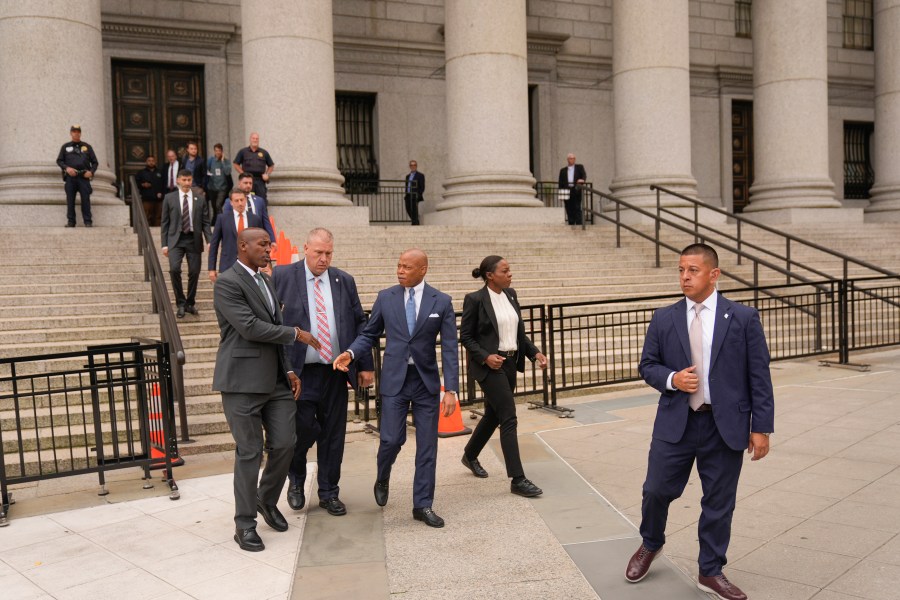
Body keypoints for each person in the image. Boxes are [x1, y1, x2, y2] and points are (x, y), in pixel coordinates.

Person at [625, 243, 774, 600]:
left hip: (725, 426)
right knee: (656, 489)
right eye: (680, 270)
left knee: (719, 502)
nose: (684, 277)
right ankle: (650, 543)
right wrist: (673, 378)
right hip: (676, 422)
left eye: (692, 270)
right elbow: (648, 366)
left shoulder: (742, 317)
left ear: (714, 274)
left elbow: (759, 376)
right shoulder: (664, 317)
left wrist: (761, 427)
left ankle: (711, 570)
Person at [333, 249, 458, 528]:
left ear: (423, 269)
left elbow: (450, 347)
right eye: (399, 266)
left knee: (427, 447)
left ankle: (422, 504)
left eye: (407, 267)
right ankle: (383, 473)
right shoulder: (385, 297)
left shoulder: (443, 301)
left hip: (425, 383)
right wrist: (351, 354)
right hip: (394, 381)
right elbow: (369, 333)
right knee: (391, 439)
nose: (400, 271)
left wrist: (451, 389)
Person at [211, 227, 313, 552]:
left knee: (286, 444)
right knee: (250, 452)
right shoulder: (227, 282)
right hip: (241, 382)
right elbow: (250, 327)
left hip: (277, 381)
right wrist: (295, 333)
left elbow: (271, 329)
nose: (269, 249)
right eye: (262, 244)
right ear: (242, 246)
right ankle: (244, 525)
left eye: (269, 244)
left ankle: (266, 500)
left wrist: (290, 369)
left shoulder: (266, 280)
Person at [273, 228, 374, 516]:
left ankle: (329, 492)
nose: (324, 259)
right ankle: (296, 480)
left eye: (329, 253)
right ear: (305, 248)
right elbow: (272, 321)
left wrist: (365, 365)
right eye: (318, 252)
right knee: (302, 429)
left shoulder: (344, 281)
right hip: (299, 373)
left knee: (333, 434)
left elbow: (359, 324)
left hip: (335, 371)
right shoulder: (282, 276)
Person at [459, 256, 548, 497]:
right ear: (490, 275)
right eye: (505, 271)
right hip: (490, 367)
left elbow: (518, 333)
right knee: (508, 416)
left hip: (510, 363)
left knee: (492, 414)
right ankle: (517, 479)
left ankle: (469, 455)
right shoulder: (475, 300)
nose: (510, 274)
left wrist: (535, 353)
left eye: (510, 270)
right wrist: (485, 356)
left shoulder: (511, 295)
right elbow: (466, 336)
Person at [161, 169, 212, 318]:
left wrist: (210, 241)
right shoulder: (169, 198)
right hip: (175, 240)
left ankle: (190, 303)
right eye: (184, 180)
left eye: (189, 180)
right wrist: (164, 244)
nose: (186, 183)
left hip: (193, 239)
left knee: (194, 272)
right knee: (175, 269)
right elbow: (164, 223)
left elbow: (205, 223)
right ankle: (180, 303)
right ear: (178, 180)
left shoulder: (200, 199)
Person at [208, 189, 262, 281]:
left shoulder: (255, 219)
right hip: (228, 264)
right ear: (231, 203)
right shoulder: (222, 219)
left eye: (242, 200)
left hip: (250, 265)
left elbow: (260, 243)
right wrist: (211, 268)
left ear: (246, 200)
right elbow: (214, 245)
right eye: (236, 201)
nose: (240, 203)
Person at [56, 125, 98, 228]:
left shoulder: (87, 147)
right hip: (71, 178)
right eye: (74, 131)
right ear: (71, 133)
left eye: (78, 131)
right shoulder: (65, 147)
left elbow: (95, 162)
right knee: (70, 200)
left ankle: (88, 221)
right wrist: (67, 168)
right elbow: (59, 160)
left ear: (80, 133)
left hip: (84, 177)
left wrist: (91, 172)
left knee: (85, 200)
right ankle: (71, 221)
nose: (76, 133)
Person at [226, 173, 276, 248]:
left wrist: (272, 240)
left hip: (257, 241)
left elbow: (266, 221)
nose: (248, 185)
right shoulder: (229, 202)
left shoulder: (259, 201)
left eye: (250, 183)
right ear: (239, 183)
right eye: (245, 183)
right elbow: (226, 222)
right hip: (238, 242)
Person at [233, 132, 274, 198]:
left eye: (257, 139)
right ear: (250, 139)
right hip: (248, 180)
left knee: (261, 200)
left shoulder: (264, 152)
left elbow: (271, 165)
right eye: (253, 138)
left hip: (260, 180)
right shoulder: (243, 151)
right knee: (248, 198)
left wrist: (267, 174)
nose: (255, 140)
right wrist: (243, 174)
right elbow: (235, 164)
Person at [206, 143, 233, 226]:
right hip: (212, 187)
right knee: (214, 207)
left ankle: (222, 223)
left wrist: (223, 162)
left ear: (222, 151)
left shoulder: (226, 161)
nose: (217, 152)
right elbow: (206, 170)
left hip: (222, 188)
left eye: (219, 151)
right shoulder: (211, 160)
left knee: (218, 205)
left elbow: (227, 172)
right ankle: (215, 222)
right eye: (216, 151)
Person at [135, 155, 165, 226]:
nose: (151, 162)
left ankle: (158, 232)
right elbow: (137, 183)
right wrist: (143, 185)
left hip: (159, 199)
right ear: (146, 162)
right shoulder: (141, 172)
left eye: (152, 161)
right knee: (147, 216)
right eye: (149, 161)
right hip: (147, 198)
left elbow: (164, 184)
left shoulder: (160, 172)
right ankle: (148, 231)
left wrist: (162, 193)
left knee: (159, 216)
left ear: (155, 162)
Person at [558, 153, 586, 226]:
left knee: (577, 207)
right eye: (570, 158)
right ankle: (571, 223)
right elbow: (560, 182)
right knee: (568, 207)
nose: (572, 160)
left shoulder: (579, 167)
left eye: (573, 158)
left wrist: (582, 180)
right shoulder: (563, 170)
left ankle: (579, 223)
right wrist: (561, 194)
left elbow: (584, 175)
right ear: (567, 159)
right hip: (566, 190)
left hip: (576, 189)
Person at [404, 160, 425, 226]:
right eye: (411, 165)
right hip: (408, 195)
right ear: (410, 166)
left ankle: (415, 223)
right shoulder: (407, 176)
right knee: (408, 209)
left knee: (414, 210)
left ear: (416, 166)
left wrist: (418, 194)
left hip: (415, 195)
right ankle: (415, 222)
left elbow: (422, 187)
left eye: (414, 165)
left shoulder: (420, 175)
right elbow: (407, 186)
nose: (413, 166)